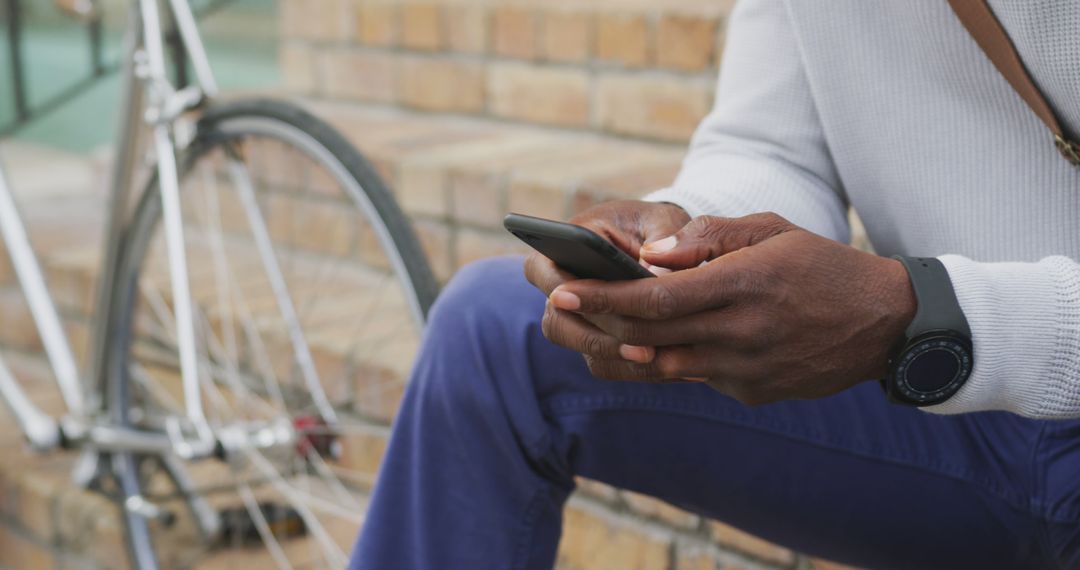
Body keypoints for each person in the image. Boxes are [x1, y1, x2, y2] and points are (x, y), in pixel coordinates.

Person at [350, 1, 1080, 568]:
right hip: (955, 407)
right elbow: (772, 145)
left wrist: (926, 318)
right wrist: (686, 240)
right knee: (490, 327)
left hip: (981, 355)